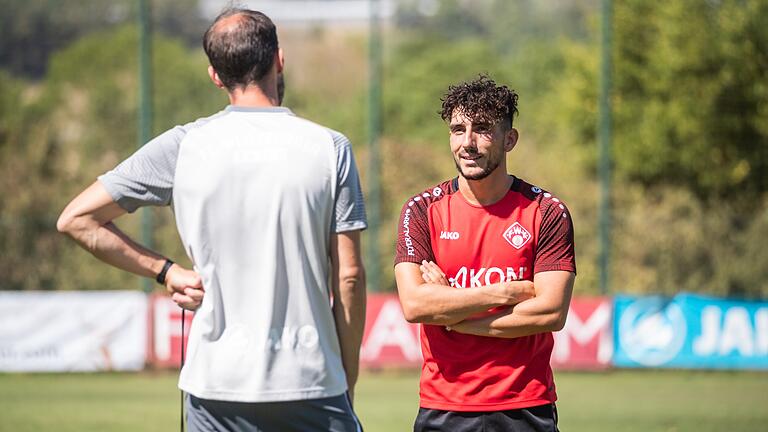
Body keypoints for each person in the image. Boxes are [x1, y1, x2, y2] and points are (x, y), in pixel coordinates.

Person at [57, 8, 367, 432]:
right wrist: (345, 380)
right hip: (312, 381)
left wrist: (165, 272)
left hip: (215, 385)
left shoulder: (184, 146)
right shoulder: (331, 148)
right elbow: (348, 278)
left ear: (215, 76)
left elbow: (76, 219)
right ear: (279, 59)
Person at [394, 75, 576, 432]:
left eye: (482, 129)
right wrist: (505, 292)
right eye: (458, 129)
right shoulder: (421, 210)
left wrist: (453, 313)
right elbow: (415, 305)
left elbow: (551, 312)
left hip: (525, 405)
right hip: (443, 407)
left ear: (510, 139)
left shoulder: (547, 211)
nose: (468, 143)